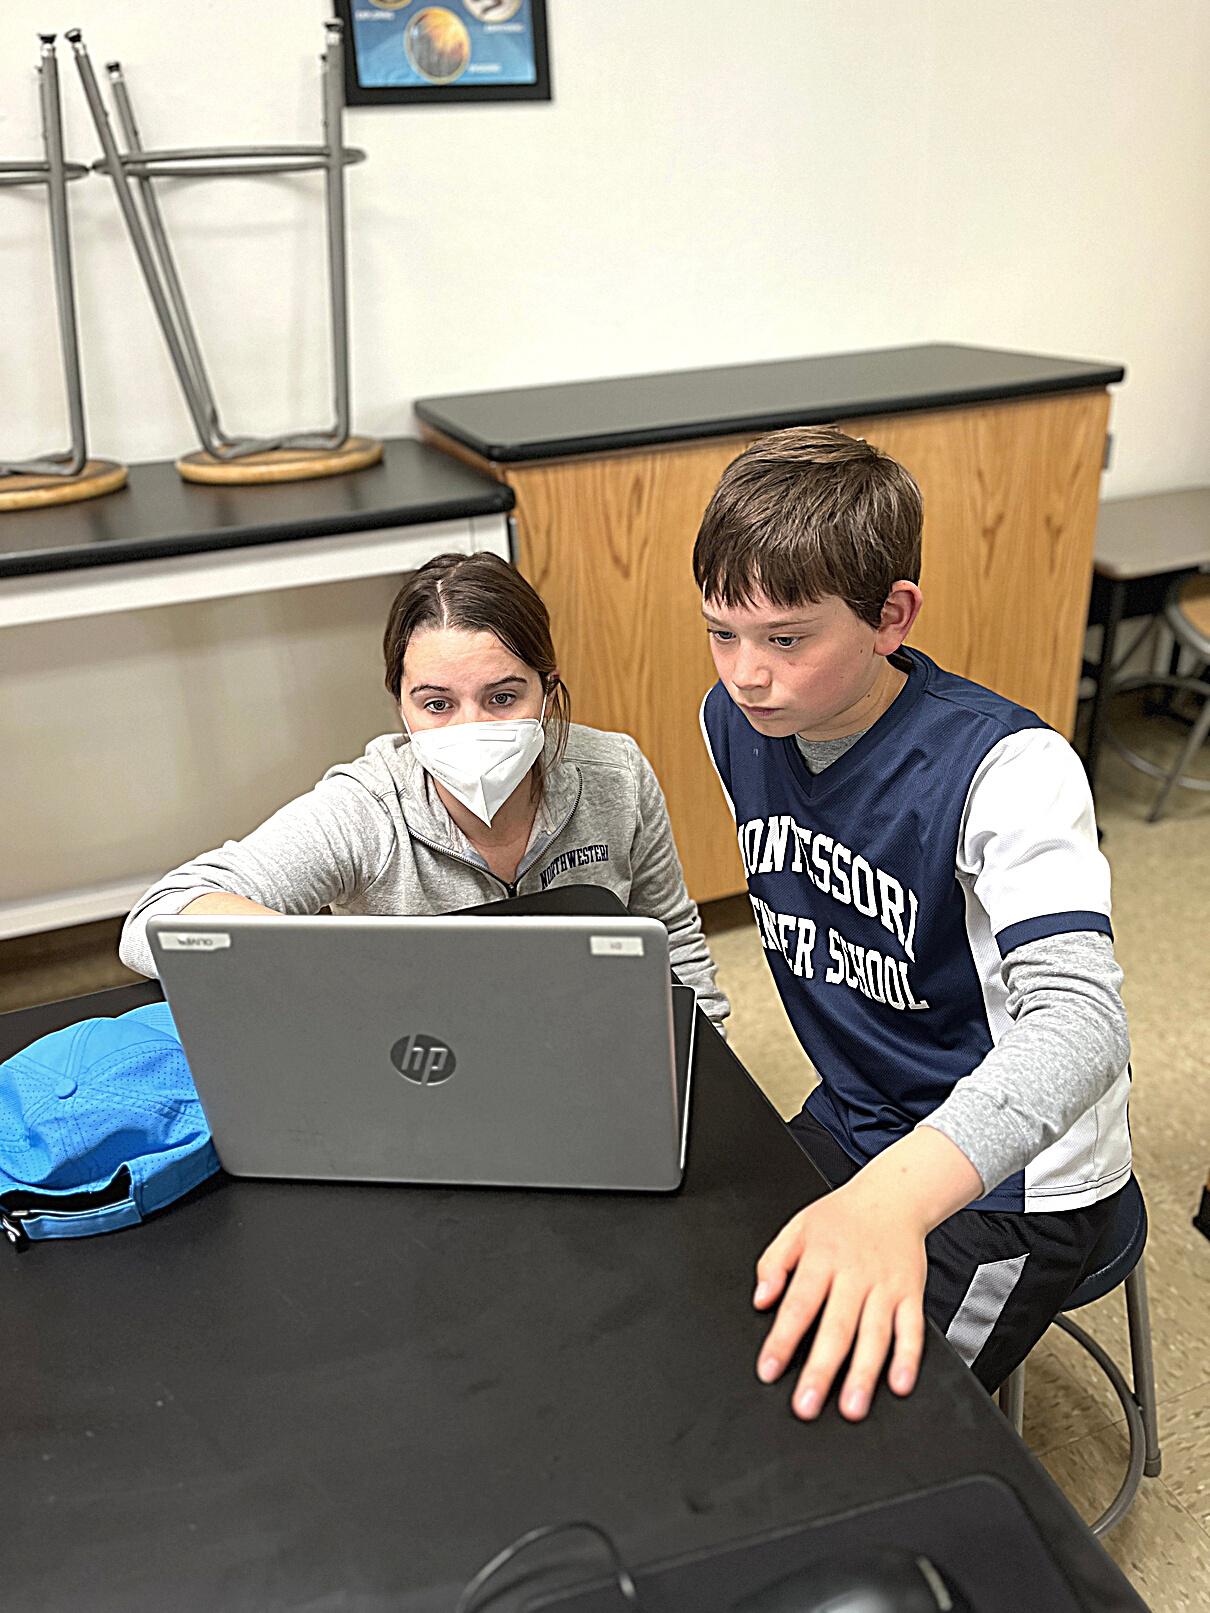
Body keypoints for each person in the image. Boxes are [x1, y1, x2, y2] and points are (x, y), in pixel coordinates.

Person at [693, 426, 1130, 1423]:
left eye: (786, 638)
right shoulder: (734, 723)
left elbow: (1082, 1024)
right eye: (721, 631)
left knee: (850, 1430)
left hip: (1012, 1174)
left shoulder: (1008, 768)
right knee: (692, 1316)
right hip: (857, 1112)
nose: (745, 673)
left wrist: (895, 1196)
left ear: (891, 616)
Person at [120, 551, 728, 1036]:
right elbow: (157, 919)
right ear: (401, 705)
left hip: (580, 1042)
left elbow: (671, 940)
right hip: (428, 1059)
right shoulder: (366, 811)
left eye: (502, 697)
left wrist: (703, 1070)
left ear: (547, 688)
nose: (471, 727)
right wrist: (331, 961)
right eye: (437, 704)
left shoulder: (615, 774)